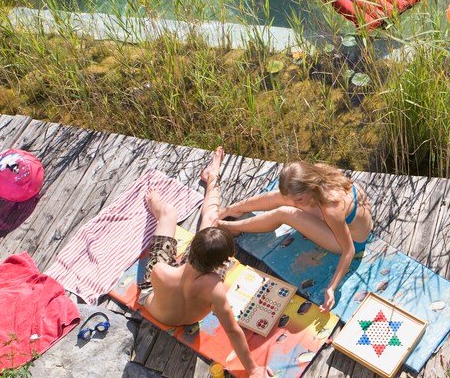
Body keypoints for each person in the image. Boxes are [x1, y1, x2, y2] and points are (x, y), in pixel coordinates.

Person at [142, 147, 271, 378]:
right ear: (222, 263)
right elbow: (232, 330)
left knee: (168, 214)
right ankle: (213, 178)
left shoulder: (160, 271)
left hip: (159, 305)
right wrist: (253, 369)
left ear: (192, 249)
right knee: (210, 218)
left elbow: (154, 290)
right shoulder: (214, 288)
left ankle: (203, 181)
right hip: (187, 310)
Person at [217, 160, 373, 313]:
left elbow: (349, 251)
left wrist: (331, 288)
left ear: (311, 187)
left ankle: (229, 227)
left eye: (298, 199)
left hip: (350, 241)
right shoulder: (314, 174)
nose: (295, 203)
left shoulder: (331, 209)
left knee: (285, 212)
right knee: (283, 199)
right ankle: (232, 209)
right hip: (346, 221)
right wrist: (293, 200)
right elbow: (288, 197)